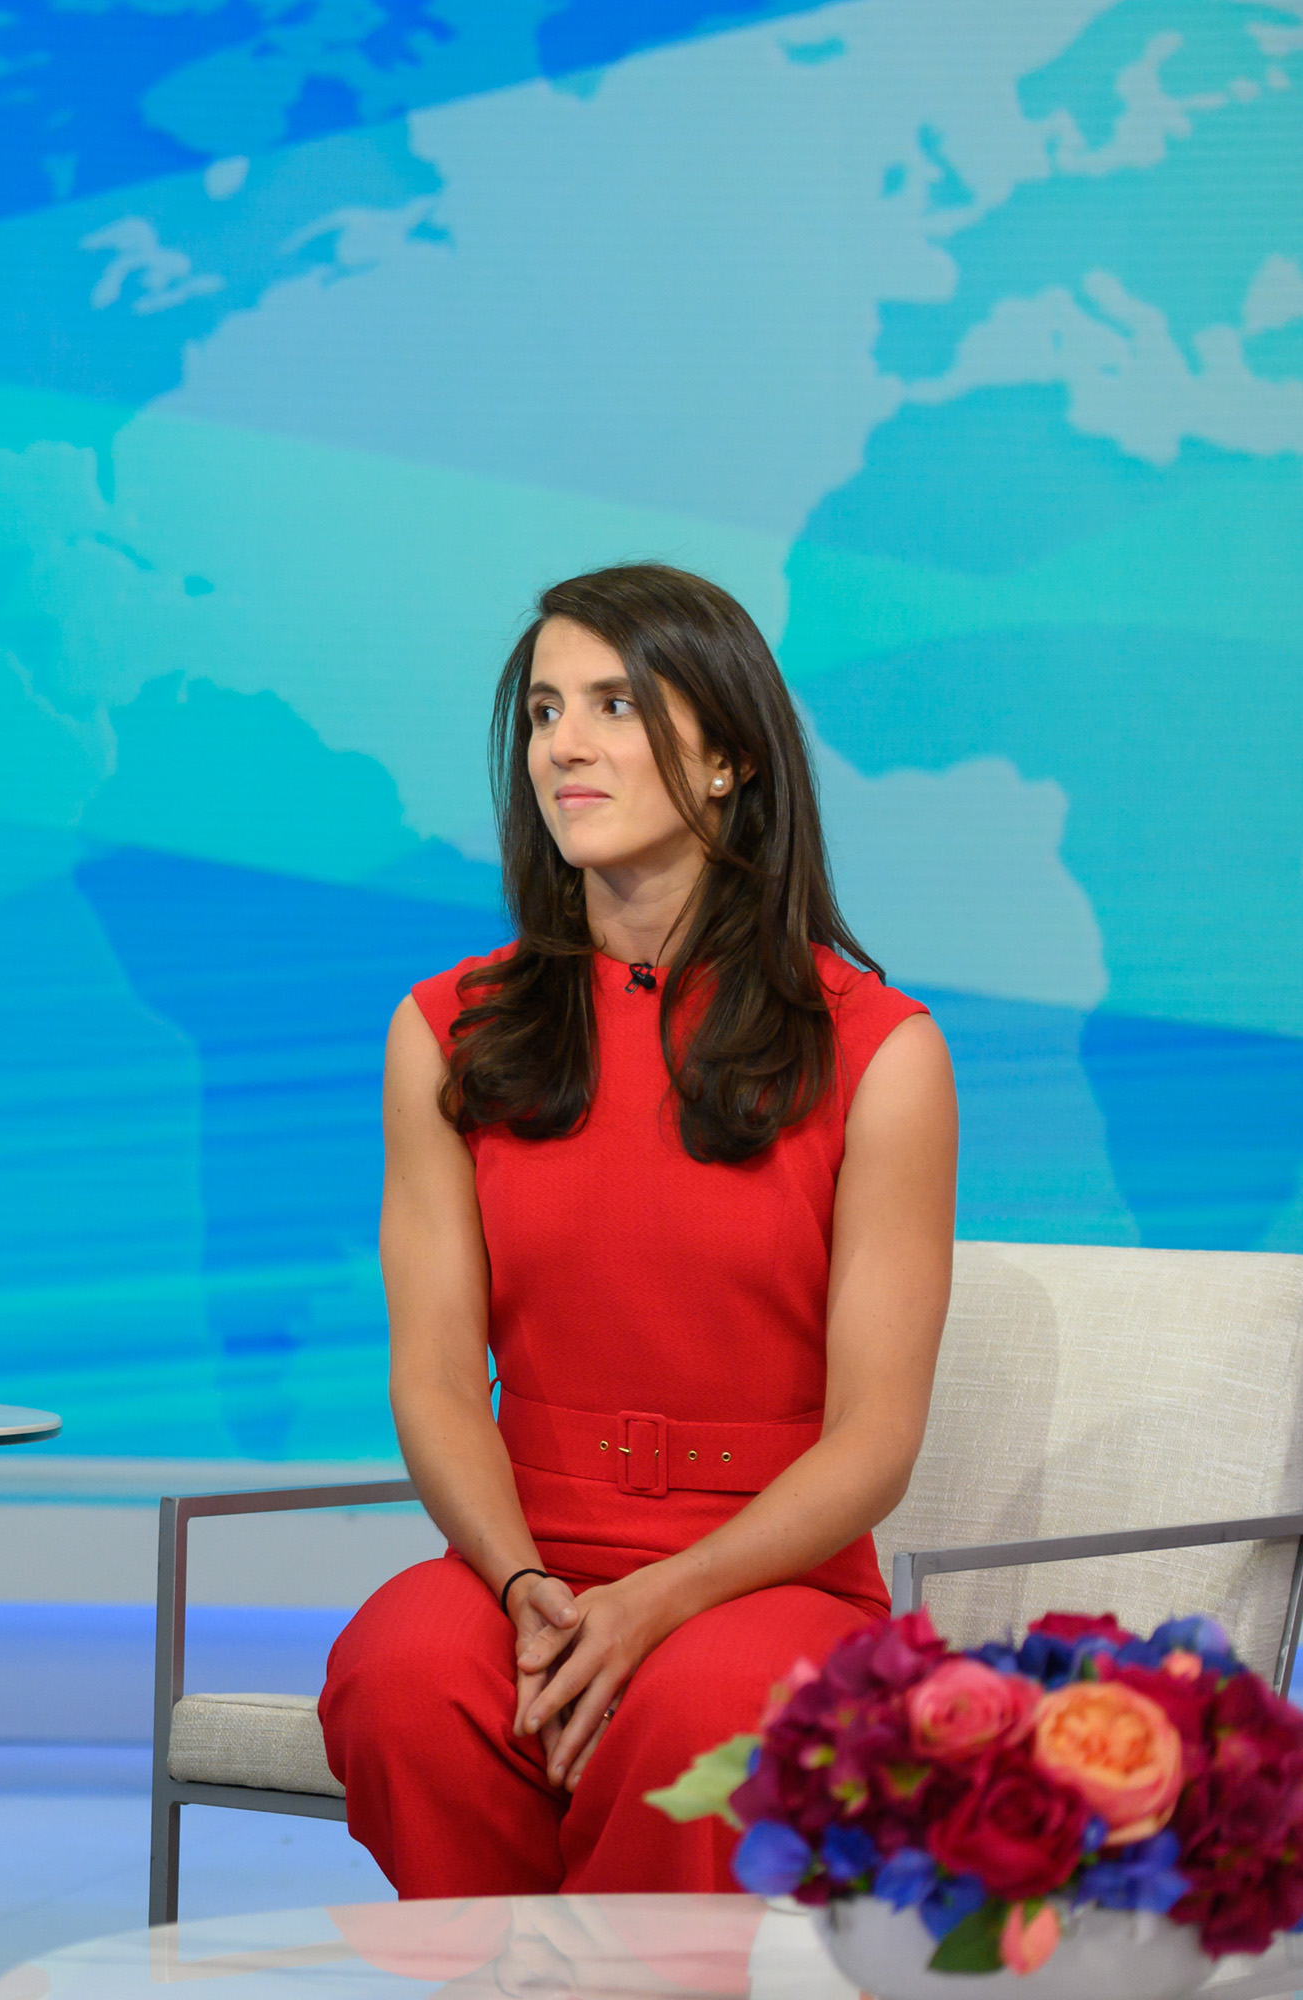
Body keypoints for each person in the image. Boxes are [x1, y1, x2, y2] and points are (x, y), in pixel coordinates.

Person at [315, 563, 958, 1895]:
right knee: (404, 1673)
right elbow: (436, 1380)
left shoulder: (881, 1054)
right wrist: (518, 1588)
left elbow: (876, 1442)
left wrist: (663, 1599)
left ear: (727, 756)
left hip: (769, 1576)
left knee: (697, 1714)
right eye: (546, 711)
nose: (567, 744)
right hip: (528, 1552)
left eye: (616, 702)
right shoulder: (445, 1031)